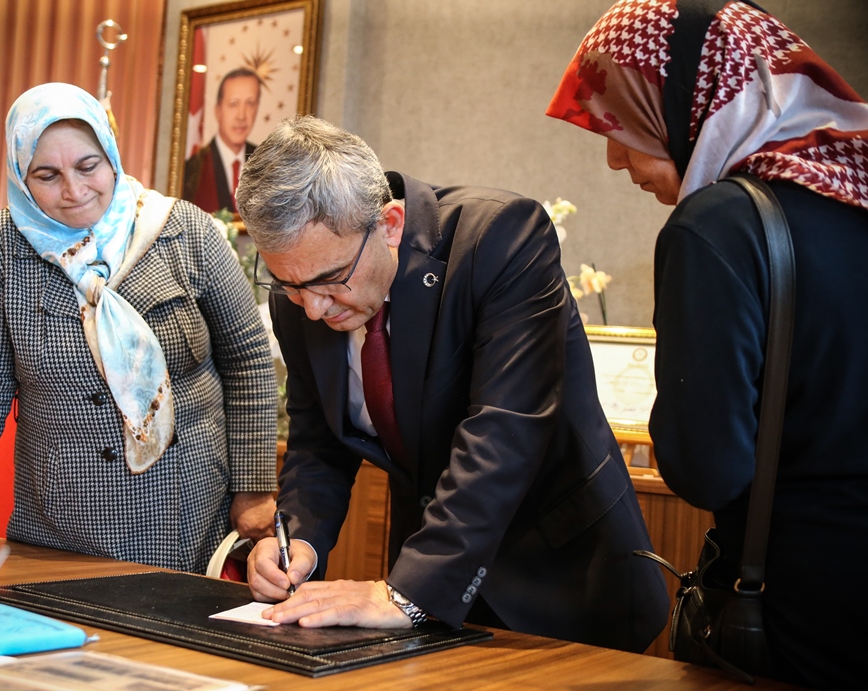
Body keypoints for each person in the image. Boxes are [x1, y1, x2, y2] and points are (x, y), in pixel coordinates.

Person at [235, 115, 669, 653]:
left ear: (390, 224)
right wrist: (298, 539)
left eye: (331, 280)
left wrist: (411, 591)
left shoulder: (501, 238)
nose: (314, 309)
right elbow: (319, 442)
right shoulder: (300, 295)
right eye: (290, 285)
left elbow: (504, 432)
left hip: (560, 578)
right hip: (424, 582)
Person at [547, 1, 868, 687]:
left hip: (797, 614)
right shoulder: (853, 194)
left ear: (688, 97)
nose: (614, 157)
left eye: (623, 121)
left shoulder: (719, 225)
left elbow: (706, 469)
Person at [0, 83, 278, 574]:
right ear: (21, 175)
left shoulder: (186, 231)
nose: (73, 190)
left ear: (111, 155)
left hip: (187, 510)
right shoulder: (1, 248)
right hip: (60, 518)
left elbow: (247, 359)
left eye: (88, 166)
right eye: (47, 175)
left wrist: (254, 488)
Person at [183, 68, 262, 214]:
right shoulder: (192, 171)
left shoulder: (266, 164)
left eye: (250, 103)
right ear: (218, 110)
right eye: (233, 104)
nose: (241, 116)